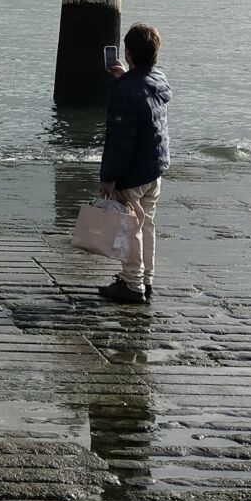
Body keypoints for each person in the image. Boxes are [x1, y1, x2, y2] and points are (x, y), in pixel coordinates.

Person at [97, 23, 171, 306]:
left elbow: (120, 139)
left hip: (132, 173)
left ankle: (132, 284)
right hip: (155, 166)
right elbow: (143, 99)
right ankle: (146, 278)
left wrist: (108, 177)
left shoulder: (126, 92)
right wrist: (125, 78)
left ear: (127, 54)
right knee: (147, 224)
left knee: (131, 227)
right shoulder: (159, 81)